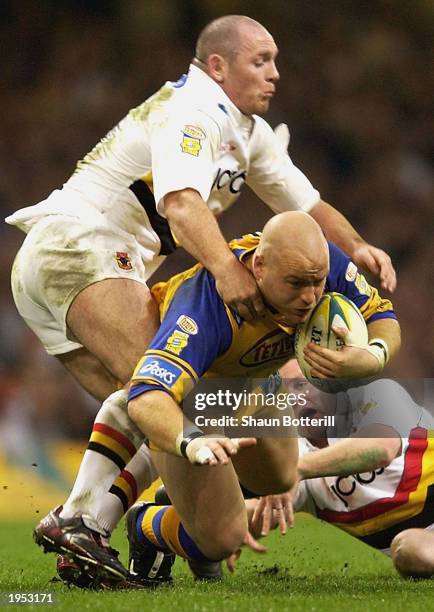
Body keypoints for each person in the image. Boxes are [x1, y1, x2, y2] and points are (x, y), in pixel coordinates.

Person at [7, 13, 395, 582]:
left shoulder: (249, 133)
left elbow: (308, 207)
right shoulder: (193, 112)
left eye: (276, 62)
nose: (275, 74)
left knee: (147, 400)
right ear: (217, 65)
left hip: (63, 264)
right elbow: (183, 205)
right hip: (83, 246)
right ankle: (99, 523)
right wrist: (223, 269)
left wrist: (358, 247)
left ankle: (91, 524)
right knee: (169, 387)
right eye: (260, 61)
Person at [34, 211, 400, 587]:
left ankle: (129, 510)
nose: (309, 297)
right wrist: (191, 443)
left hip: (255, 387)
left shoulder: (317, 261)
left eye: (317, 283)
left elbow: (383, 316)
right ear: (259, 266)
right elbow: (147, 397)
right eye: (296, 284)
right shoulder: (204, 308)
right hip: (193, 403)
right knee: (223, 537)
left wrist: (374, 354)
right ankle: (141, 525)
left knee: (280, 478)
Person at [240, 360, 434, 579]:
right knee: (411, 552)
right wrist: (213, 533)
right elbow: (265, 512)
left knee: (412, 550)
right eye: (282, 397)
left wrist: (292, 471)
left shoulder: (379, 394)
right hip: (417, 545)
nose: (295, 399)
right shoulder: (298, 454)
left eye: (301, 384)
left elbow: (382, 447)